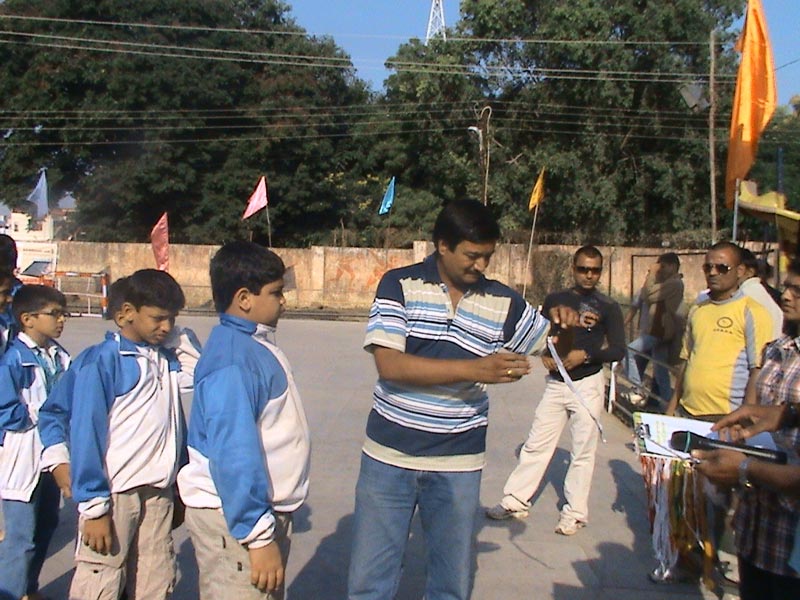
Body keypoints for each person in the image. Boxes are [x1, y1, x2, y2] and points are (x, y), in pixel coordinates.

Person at [346, 199, 578, 600]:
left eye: (488, 256)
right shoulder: (399, 285)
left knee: (450, 585)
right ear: (443, 245)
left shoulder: (503, 301)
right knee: (370, 582)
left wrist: (566, 325)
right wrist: (476, 369)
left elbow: (554, 352)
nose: (481, 265)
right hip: (389, 458)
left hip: (457, 464)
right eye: (472, 255)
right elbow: (390, 365)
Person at [177, 241, 310, 600]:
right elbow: (234, 453)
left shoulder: (252, 345)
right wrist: (257, 534)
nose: (283, 301)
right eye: (276, 292)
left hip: (254, 513)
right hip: (236, 520)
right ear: (244, 298)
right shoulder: (234, 360)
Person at [64, 269, 187, 600]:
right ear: (126, 313)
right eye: (158, 318)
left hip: (158, 491)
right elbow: (86, 434)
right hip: (117, 494)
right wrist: (94, 507)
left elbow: (176, 424)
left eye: (172, 319)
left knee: (155, 574)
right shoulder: (104, 361)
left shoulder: (166, 359)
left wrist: (178, 488)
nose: (167, 327)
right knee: (102, 578)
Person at [486, 245, 625, 535]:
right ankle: (515, 500)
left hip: (586, 384)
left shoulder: (608, 306)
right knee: (537, 443)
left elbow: (618, 349)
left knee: (582, 450)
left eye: (595, 270)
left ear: (601, 272)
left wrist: (587, 356)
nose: (588, 275)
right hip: (556, 383)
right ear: (573, 269)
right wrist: (546, 355)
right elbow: (544, 335)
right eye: (583, 269)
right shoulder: (556, 299)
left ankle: (574, 512)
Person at [691, 260, 800, 599]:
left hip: (791, 536)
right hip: (757, 528)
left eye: (798, 291)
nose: (787, 296)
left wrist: (742, 468)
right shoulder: (778, 349)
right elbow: (759, 414)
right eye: (787, 287)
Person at [0, 285, 71, 600]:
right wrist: (41, 416)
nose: (61, 320)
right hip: (23, 453)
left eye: (63, 314)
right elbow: (5, 409)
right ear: (27, 319)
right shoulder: (13, 359)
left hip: (52, 453)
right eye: (54, 314)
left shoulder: (60, 356)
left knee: (46, 523)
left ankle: (28, 587)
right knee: (20, 536)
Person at [666, 242, 773, 419]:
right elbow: (687, 361)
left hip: (725, 417)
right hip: (687, 412)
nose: (713, 273)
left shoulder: (752, 312)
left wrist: (743, 418)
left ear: (740, 271)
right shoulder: (698, 309)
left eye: (722, 268)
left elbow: (757, 369)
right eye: (708, 267)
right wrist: (671, 408)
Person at [623, 252, 684, 406]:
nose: (660, 270)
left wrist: (652, 272)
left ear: (673, 266)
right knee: (661, 371)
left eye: (663, 266)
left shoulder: (674, 284)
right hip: (657, 331)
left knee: (629, 351)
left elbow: (648, 294)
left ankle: (637, 389)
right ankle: (666, 405)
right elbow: (645, 295)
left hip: (660, 332)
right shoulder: (667, 283)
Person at [739, 248, 783, 340]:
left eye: (725, 269)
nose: (714, 273)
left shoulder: (746, 295)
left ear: (750, 272)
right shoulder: (759, 293)